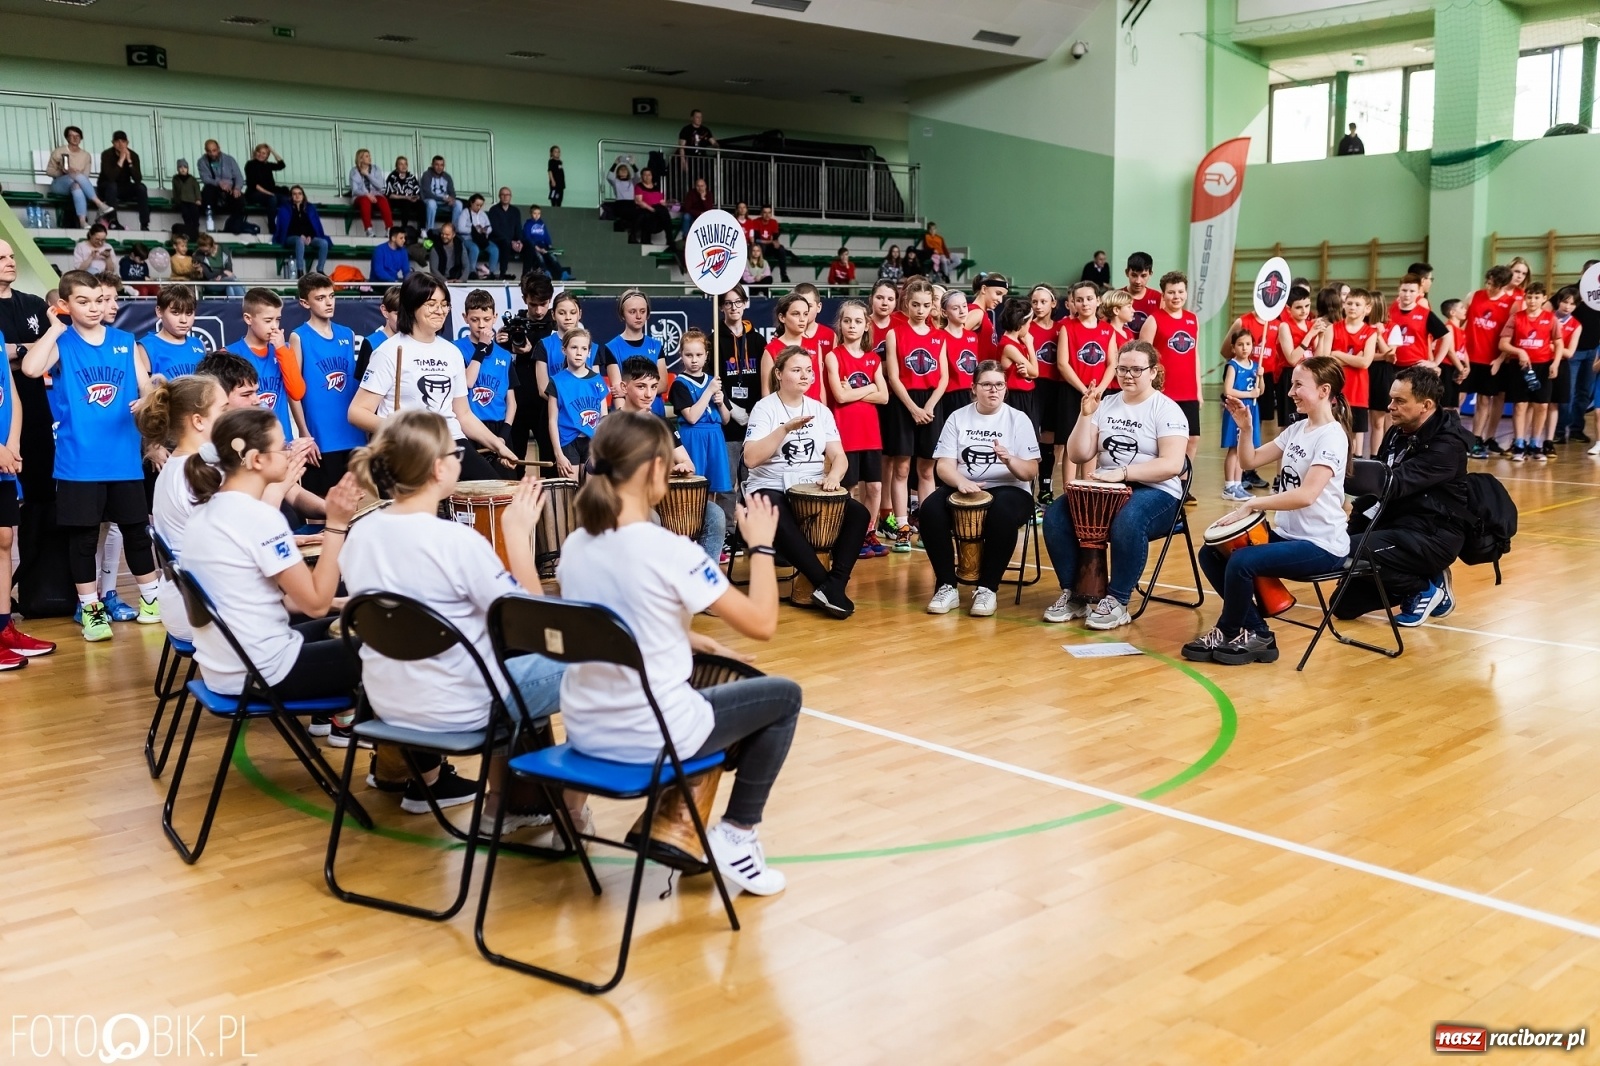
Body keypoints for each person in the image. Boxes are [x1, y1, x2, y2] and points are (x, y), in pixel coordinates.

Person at [557, 412, 799, 894]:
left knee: (715, 669)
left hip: (584, 730)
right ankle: (737, 834)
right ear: (652, 469)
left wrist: (686, 638)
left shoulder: (576, 544)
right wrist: (763, 548)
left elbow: (609, 622)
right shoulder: (670, 550)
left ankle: (677, 823)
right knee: (783, 698)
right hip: (651, 736)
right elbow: (763, 623)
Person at [339, 411, 568, 817]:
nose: (460, 457)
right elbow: (532, 623)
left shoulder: (361, 533)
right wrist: (516, 535)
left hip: (387, 702)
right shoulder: (455, 541)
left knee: (504, 657)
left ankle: (508, 801)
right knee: (589, 662)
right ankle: (539, 804)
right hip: (459, 708)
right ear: (437, 468)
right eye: (455, 450)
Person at [181, 407, 361, 701]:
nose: (289, 454)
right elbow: (315, 604)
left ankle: (340, 722)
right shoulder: (258, 517)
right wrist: (337, 524)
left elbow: (251, 598)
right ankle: (386, 739)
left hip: (225, 668)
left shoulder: (205, 512)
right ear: (256, 460)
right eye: (281, 448)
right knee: (393, 644)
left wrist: (339, 603)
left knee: (355, 622)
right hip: (266, 673)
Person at [19, 270, 161, 641]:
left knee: (136, 533)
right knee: (82, 540)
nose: (94, 308)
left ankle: (151, 601)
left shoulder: (124, 340)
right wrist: (53, 327)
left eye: (99, 300)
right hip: (78, 462)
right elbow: (32, 369)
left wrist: (147, 398)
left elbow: (146, 386)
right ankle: (92, 610)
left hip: (123, 457)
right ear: (65, 305)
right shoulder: (62, 342)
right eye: (83, 301)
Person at [1186, 356, 1354, 665]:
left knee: (1243, 561)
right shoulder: (1298, 429)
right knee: (1212, 552)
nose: (1290, 392)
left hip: (1321, 544)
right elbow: (1249, 461)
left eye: (1298, 385)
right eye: (1292, 384)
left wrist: (1252, 503)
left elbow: (1307, 495)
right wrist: (1246, 428)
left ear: (1323, 390)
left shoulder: (1332, 436)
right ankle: (1257, 630)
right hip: (1288, 536)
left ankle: (1229, 630)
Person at [1040, 340, 1187, 630]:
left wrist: (1123, 472)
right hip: (1109, 490)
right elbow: (1080, 454)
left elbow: (1172, 465)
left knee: (1128, 521)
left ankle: (1117, 601)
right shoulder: (1105, 403)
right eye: (1122, 369)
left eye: (1136, 369)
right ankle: (1076, 594)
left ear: (1153, 371)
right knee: (1056, 515)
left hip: (1158, 492)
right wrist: (1085, 415)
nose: (1128, 375)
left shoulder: (1166, 410)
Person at [349, 273, 521, 481]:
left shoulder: (451, 352)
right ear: (412, 305)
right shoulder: (389, 351)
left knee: (491, 495)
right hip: (407, 447)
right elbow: (357, 412)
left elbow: (463, 415)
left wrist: (497, 444)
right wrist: (401, 429)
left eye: (444, 304)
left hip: (451, 441)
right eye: (431, 304)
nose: (440, 311)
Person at [1337, 365, 1471, 625]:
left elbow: (1391, 483)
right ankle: (1428, 573)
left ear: (1426, 405)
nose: (1390, 406)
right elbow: (1378, 485)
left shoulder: (1447, 445)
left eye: (1399, 401)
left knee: (1345, 551)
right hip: (1397, 522)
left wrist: (1332, 470)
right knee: (1343, 607)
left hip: (1432, 534)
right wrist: (1350, 526)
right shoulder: (1398, 431)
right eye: (1391, 399)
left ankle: (1422, 588)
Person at [743, 346, 870, 617]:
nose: (805, 376)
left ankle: (836, 582)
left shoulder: (820, 410)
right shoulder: (764, 408)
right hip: (770, 485)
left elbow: (839, 456)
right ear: (778, 374)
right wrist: (785, 429)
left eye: (809, 370)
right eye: (796, 370)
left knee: (859, 513)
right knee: (774, 509)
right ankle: (825, 584)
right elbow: (751, 459)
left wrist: (834, 476)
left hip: (812, 486)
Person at [921, 361, 1041, 617]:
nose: (993, 390)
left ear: (1006, 389)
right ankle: (946, 585)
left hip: (1009, 488)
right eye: (986, 385)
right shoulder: (958, 417)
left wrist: (1010, 459)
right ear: (974, 388)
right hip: (963, 486)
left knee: (1001, 513)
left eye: (999, 385)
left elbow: (1031, 472)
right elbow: (943, 466)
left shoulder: (1018, 419)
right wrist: (960, 482)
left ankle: (987, 588)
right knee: (930, 509)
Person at [137, 374, 228, 644]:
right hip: (202, 611)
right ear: (198, 421)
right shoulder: (197, 474)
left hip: (183, 604)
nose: (231, 415)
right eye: (223, 410)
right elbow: (236, 545)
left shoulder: (179, 466)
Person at [615, 355, 727, 562]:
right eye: (641, 386)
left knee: (715, 515)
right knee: (653, 520)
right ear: (624, 386)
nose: (649, 394)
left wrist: (682, 467)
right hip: (629, 502)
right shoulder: (610, 426)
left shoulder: (662, 424)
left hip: (666, 499)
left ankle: (702, 580)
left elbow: (689, 464)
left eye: (653, 387)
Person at [881, 280, 948, 549]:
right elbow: (893, 377)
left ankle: (927, 523)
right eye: (915, 305)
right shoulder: (894, 334)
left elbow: (943, 377)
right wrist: (913, 408)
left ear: (933, 306)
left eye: (926, 305)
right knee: (902, 467)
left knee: (926, 468)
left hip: (931, 403)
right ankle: (902, 526)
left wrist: (929, 406)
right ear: (906, 305)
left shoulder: (939, 336)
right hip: (904, 403)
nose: (921, 310)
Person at [0, 343, 54, 669]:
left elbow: (12, 393)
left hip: (7, 452)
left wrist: (13, 441)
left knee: (4, 537)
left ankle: (3, 626)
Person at [288, 273, 364, 495]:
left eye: (331, 296)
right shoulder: (299, 337)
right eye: (320, 298)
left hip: (352, 434)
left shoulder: (347, 334)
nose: (329, 302)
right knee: (324, 509)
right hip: (320, 438)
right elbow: (294, 390)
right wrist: (304, 433)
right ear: (305, 302)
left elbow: (353, 384)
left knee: (359, 505)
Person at [824, 299, 888, 557]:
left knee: (874, 488)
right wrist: (871, 387)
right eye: (847, 320)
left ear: (866, 326)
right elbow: (840, 396)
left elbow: (884, 397)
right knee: (849, 489)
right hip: (846, 433)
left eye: (858, 321)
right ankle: (849, 536)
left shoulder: (873, 359)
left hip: (871, 433)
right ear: (840, 324)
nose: (852, 325)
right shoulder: (833, 356)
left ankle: (868, 531)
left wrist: (860, 391)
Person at [1138, 270, 1202, 488]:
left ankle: (1182, 485)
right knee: (1163, 441)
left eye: (1181, 292)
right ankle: (1161, 483)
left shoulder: (1193, 320)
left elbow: (1195, 355)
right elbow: (1142, 358)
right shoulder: (1154, 320)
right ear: (1163, 295)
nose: (1177, 296)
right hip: (1164, 390)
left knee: (1192, 438)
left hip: (1188, 389)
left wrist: (1199, 391)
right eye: (1171, 292)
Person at [1059, 281, 1116, 489]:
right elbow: (1063, 363)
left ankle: (1089, 489)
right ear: (1073, 302)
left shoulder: (1107, 330)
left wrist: (1099, 389)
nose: (1085, 304)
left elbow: (1112, 363)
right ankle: (1068, 490)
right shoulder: (1067, 327)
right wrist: (1084, 390)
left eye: (1089, 299)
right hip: (1073, 392)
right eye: (1079, 300)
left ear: (1098, 300)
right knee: (1070, 441)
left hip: (1099, 394)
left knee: (1093, 441)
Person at [1464, 264, 1519, 458]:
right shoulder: (1474, 296)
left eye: (1493, 284)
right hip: (1468, 357)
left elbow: (1510, 336)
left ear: (1503, 285)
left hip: (1491, 360)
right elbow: (1461, 324)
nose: (1489, 286)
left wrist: (1500, 359)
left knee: (1484, 401)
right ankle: (1454, 438)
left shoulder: (1511, 303)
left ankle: (1478, 439)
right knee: (1457, 399)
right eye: (1488, 282)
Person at [1500, 282, 1557, 461]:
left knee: (1542, 406)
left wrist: (1555, 363)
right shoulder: (1516, 318)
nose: (1532, 301)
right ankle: (1519, 444)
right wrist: (1520, 351)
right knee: (1520, 405)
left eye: (1537, 297)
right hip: (1521, 367)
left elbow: (1560, 343)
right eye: (1529, 297)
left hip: (1543, 365)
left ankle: (1535, 444)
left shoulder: (1550, 318)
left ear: (1544, 299)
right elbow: (1503, 343)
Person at [1320, 287, 1377, 457]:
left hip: (1358, 390)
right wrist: (1353, 359)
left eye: (1357, 304)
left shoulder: (1370, 333)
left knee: (1356, 433)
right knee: (1334, 430)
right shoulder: (1333, 329)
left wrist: (1337, 354)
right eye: (1349, 303)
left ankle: (1356, 465)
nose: (1352, 307)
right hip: (1336, 389)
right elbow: (1326, 359)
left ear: (1367, 308)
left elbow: (1365, 362)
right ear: (1343, 305)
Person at [547, 327, 610, 479]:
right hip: (568, 442)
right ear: (564, 350)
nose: (579, 352)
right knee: (570, 491)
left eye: (583, 348)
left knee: (590, 494)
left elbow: (604, 416)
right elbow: (552, 420)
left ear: (589, 352)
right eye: (574, 347)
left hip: (592, 441)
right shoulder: (556, 381)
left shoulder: (596, 380)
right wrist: (558, 454)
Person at [718, 285, 759, 497]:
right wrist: (732, 409)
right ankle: (728, 528)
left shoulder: (758, 340)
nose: (734, 307)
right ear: (721, 307)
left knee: (751, 477)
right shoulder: (714, 341)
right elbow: (711, 381)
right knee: (728, 480)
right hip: (729, 420)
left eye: (738, 302)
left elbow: (765, 379)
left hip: (754, 420)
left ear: (745, 303)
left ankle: (749, 524)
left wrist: (756, 412)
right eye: (728, 303)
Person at [1219, 328, 1264, 501]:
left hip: (1251, 410)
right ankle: (1229, 485)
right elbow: (1228, 390)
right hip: (1236, 408)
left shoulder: (1255, 366)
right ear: (1233, 347)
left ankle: (1238, 484)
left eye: (1248, 344)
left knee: (1243, 448)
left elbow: (1260, 391)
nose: (1244, 348)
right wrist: (1249, 395)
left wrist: (1261, 377)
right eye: (1240, 344)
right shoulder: (1233, 365)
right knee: (1234, 448)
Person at [595, 289, 666, 396]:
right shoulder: (612, 347)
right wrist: (650, 388)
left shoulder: (656, 345)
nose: (638, 316)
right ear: (622, 314)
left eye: (642, 311)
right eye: (632, 312)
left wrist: (628, 391)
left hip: (655, 411)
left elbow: (663, 384)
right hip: (627, 411)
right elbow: (617, 389)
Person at [137, 284, 208, 383]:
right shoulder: (146, 347)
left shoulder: (199, 345)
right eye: (175, 313)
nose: (183, 320)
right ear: (159, 311)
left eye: (189, 313)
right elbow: (144, 391)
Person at [46, 126, 115, 228]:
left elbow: (86, 176)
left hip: (77, 182)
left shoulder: (86, 155)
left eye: (77, 136)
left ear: (81, 138)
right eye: (71, 136)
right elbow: (49, 171)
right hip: (60, 184)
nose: (75, 138)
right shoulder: (59, 152)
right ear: (67, 138)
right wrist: (63, 171)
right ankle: (99, 203)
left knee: (77, 186)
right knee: (75, 176)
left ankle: (82, 221)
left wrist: (76, 174)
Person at [1561, 259, 1598, 446]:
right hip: (1572, 352)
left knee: (1584, 393)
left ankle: (1577, 429)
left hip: (1593, 351)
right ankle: (1560, 431)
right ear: (1583, 273)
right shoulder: (1571, 292)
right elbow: (1552, 311)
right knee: (1567, 392)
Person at [1549, 285, 1584, 447]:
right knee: (1534, 404)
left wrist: (1551, 347)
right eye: (1565, 302)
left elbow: (1570, 353)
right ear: (1558, 301)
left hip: (1561, 366)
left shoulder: (1576, 325)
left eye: (1572, 304)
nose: (1567, 306)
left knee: (1558, 402)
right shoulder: (1546, 317)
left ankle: (1554, 436)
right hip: (1539, 363)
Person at [96, 130, 151, 231]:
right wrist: (121, 160)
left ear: (127, 143)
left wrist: (129, 162)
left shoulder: (133, 155)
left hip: (124, 187)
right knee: (112, 185)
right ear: (113, 143)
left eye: (123, 141)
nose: (120, 144)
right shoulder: (107, 154)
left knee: (141, 188)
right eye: (117, 141)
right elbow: (110, 177)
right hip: (106, 187)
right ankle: (113, 221)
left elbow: (138, 179)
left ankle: (144, 224)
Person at [273, 185, 329, 278]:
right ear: (291, 196)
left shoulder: (309, 208)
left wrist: (310, 236)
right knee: (299, 240)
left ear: (303, 195)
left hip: (307, 237)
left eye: (299, 193)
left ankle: (320, 269)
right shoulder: (285, 208)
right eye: (294, 194)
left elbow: (313, 226)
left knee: (324, 243)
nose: (297, 196)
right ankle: (300, 271)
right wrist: (301, 235)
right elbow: (287, 227)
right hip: (291, 237)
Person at [197, 140, 247, 232]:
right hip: (214, 189)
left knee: (240, 199)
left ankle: (233, 225)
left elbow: (238, 177)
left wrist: (237, 188)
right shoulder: (202, 161)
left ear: (219, 149)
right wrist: (219, 183)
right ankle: (210, 222)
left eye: (214, 150)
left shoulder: (230, 159)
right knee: (208, 191)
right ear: (205, 150)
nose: (212, 153)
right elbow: (205, 178)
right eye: (209, 151)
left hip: (230, 190)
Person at [348, 149, 393, 238]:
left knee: (383, 200)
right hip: (360, 196)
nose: (370, 158)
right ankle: (369, 230)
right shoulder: (354, 171)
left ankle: (389, 229)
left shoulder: (376, 169)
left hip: (375, 195)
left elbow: (380, 186)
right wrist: (367, 194)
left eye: (369, 156)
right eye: (367, 156)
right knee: (365, 200)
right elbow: (355, 190)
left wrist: (368, 175)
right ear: (360, 159)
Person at [748, 205, 792, 283]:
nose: (767, 215)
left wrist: (776, 243)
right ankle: (760, 273)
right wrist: (770, 241)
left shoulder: (773, 222)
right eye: (765, 212)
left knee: (781, 249)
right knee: (761, 247)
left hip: (769, 247)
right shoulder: (756, 221)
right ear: (761, 213)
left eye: (769, 213)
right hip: (760, 246)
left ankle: (784, 275)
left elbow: (775, 238)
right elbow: (757, 240)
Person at [1120, 252, 1160, 335]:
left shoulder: (1158, 298)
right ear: (1127, 273)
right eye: (1134, 275)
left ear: (1150, 274)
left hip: (1148, 347)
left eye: (1143, 276)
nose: (1138, 281)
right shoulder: (1116, 297)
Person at [518, 205, 563, 278]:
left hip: (543, 246)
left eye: (539, 213)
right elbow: (527, 238)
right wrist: (537, 248)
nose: (537, 215)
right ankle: (545, 273)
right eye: (534, 213)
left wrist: (549, 245)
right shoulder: (528, 224)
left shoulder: (542, 224)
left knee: (552, 257)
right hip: (534, 247)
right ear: (531, 213)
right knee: (540, 258)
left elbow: (546, 235)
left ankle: (561, 274)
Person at [486, 188, 521, 279]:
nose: (505, 197)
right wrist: (511, 242)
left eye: (507, 195)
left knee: (529, 245)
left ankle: (526, 275)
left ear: (510, 197)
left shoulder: (515, 211)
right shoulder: (494, 210)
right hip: (497, 239)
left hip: (512, 242)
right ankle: (503, 273)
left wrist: (519, 241)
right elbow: (494, 230)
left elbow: (518, 228)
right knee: (505, 243)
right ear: (499, 196)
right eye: (503, 194)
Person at [630, 168, 671, 245]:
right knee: (645, 215)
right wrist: (651, 209)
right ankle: (637, 238)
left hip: (657, 210)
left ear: (652, 176)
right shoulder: (639, 186)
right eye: (645, 175)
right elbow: (639, 201)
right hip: (645, 209)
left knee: (664, 214)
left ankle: (669, 240)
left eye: (649, 175)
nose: (647, 177)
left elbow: (661, 201)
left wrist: (666, 204)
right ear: (642, 176)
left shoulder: (656, 188)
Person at [421, 156, 462, 232]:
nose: (439, 167)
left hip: (445, 203)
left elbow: (452, 192)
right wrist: (442, 198)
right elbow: (427, 193)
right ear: (432, 165)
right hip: (430, 201)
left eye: (441, 165)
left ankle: (453, 230)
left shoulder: (447, 176)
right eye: (437, 164)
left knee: (458, 204)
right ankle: (430, 230)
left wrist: (452, 199)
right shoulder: (426, 175)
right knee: (432, 203)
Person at [243, 144, 288, 212]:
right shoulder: (250, 164)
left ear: (267, 156)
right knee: (272, 199)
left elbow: (282, 165)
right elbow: (254, 184)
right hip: (255, 193)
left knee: (285, 199)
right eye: (259, 152)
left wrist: (271, 150)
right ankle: (271, 222)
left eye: (264, 153)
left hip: (269, 191)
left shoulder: (267, 165)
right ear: (255, 152)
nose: (261, 154)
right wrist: (269, 193)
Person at [385, 156, 423, 232]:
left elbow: (417, 191)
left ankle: (422, 229)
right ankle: (404, 227)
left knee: (421, 204)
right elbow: (390, 195)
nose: (404, 166)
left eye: (405, 164)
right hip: (397, 200)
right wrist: (406, 197)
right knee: (406, 203)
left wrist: (416, 197)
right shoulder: (392, 177)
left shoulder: (411, 177)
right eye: (401, 164)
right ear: (396, 166)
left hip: (410, 199)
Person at [170, 159, 201, 239]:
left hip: (192, 201)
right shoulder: (175, 179)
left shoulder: (192, 179)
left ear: (188, 168)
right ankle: (188, 229)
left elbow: (197, 189)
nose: (183, 169)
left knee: (194, 215)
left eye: (185, 167)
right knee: (186, 215)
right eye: (180, 167)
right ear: (177, 169)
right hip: (182, 201)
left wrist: (198, 199)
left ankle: (195, 230)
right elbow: (175, 191)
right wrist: (177, 201)